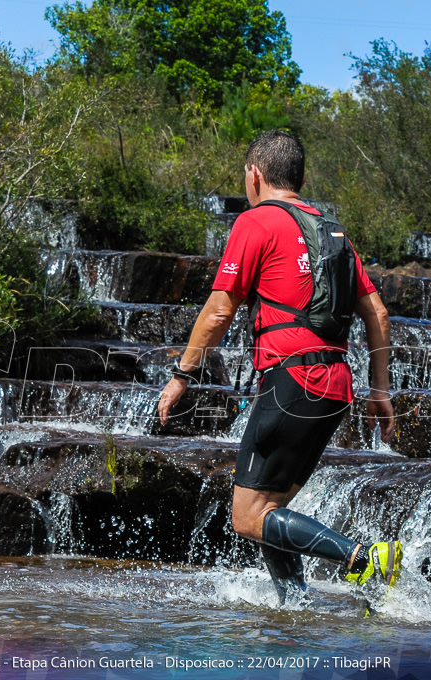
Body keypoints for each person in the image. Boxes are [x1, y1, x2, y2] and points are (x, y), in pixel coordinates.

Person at [157, 130, 399, 604]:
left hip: (293, 379)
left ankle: (363, 558)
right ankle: (295, 603)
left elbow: (220, 310)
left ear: (254, 174)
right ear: (300, 177)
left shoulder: (257, 221)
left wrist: (181, 376)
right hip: (335, 385)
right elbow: (379, 314)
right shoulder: (333, 232)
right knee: (270, 506)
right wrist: (381, 391)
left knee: (246, 516)